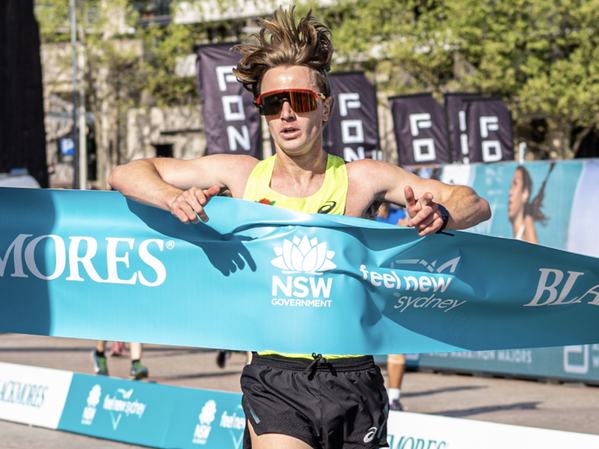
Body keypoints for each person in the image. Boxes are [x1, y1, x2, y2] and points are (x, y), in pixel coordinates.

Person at [108, 7, 490, 448]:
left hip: (354, 376)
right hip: (276, 377)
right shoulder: (240, 175)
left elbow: (473, 202)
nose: (287, 113)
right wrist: (171, 198)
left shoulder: (361, 179)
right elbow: (127, 172)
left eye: (301, 100)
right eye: (273, 103)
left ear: (325, 108)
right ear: (263, 113)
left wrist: (440, 215)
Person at [508, 165, 551, 244]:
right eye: (510, 186)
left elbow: (535, 254)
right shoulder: (517, 235)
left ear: (525, 193)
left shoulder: (528, 221)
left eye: (515, 184)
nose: (510, 192)